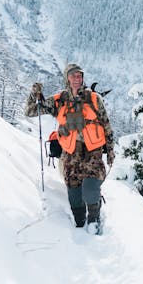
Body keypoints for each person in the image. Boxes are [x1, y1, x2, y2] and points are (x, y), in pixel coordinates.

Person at [25, 63, 115, 234]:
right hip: (70, 155)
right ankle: (80, 223)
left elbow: (106, 125)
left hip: (92, 153)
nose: (76, 79)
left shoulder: (95, 99)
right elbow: (31, 111)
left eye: (79, 75)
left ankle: (94, 220)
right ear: (67, 78)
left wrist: (110, 150)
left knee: (90, 189)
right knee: (74, 197)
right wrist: (34, 94)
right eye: (73, 75)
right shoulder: (59, 101)